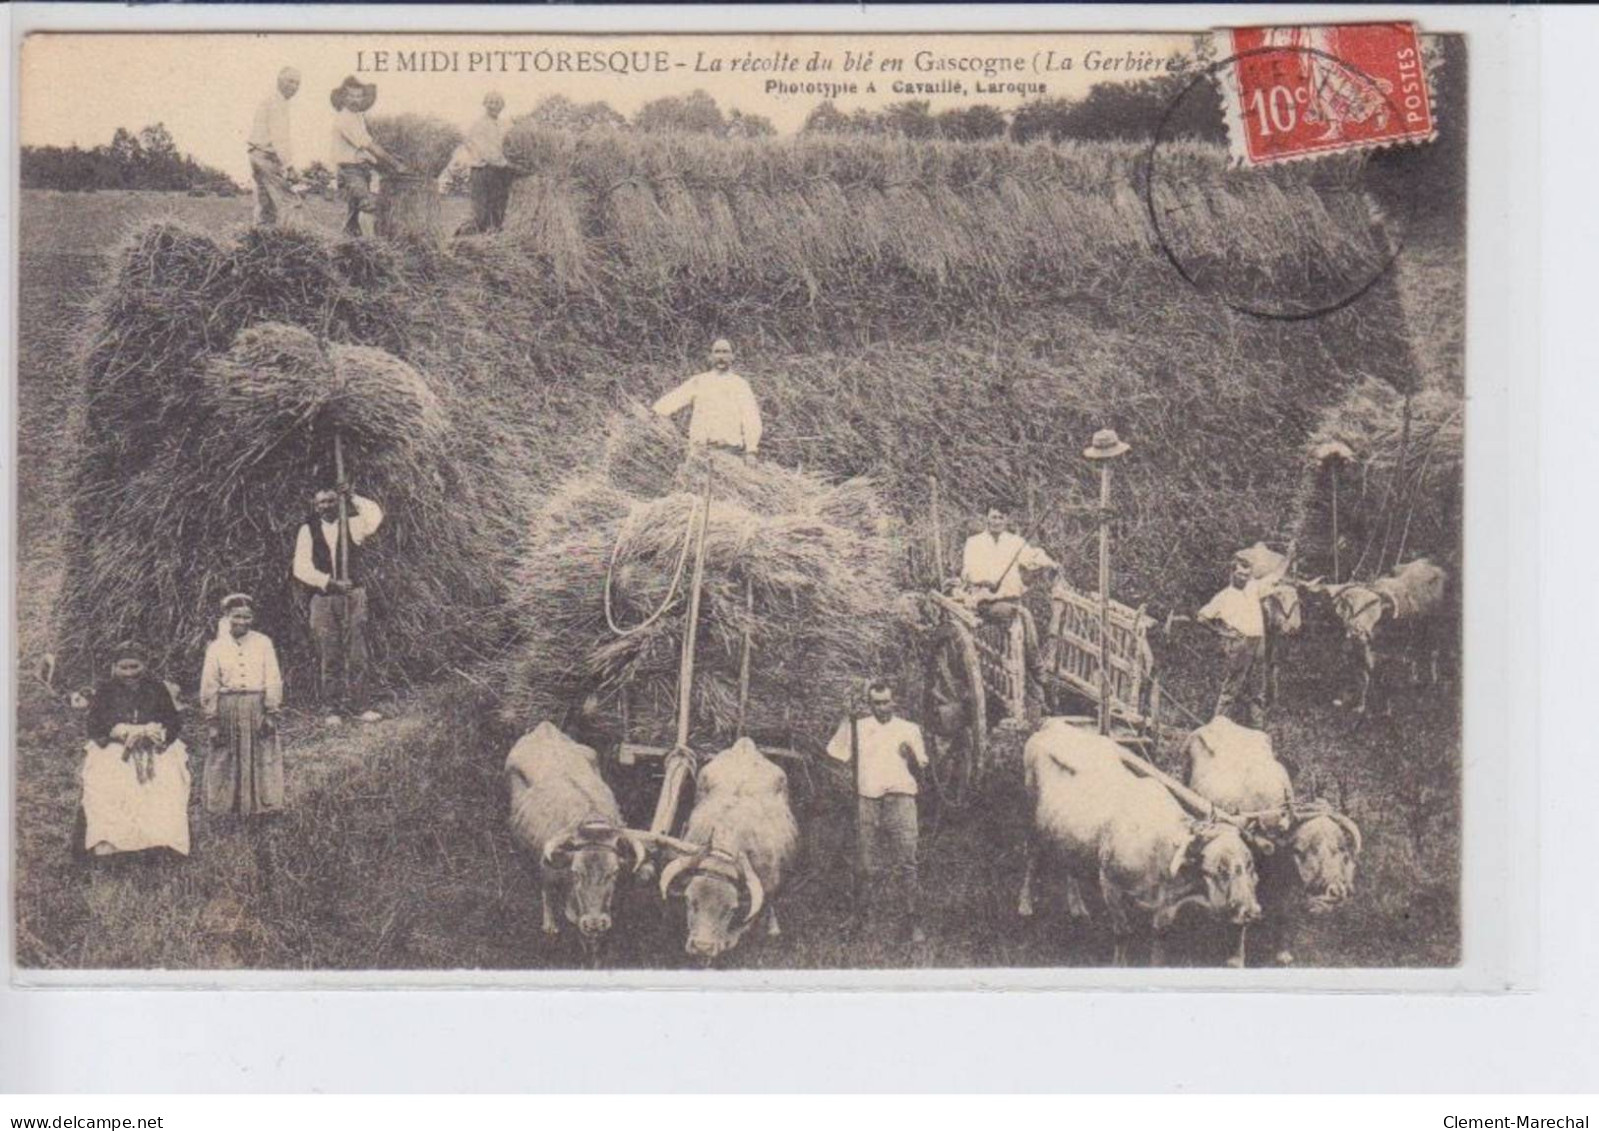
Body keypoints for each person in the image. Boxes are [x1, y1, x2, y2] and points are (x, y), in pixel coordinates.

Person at [825, 681, 929, 944]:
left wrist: (912, 757)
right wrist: (845, 721)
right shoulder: (858, 728)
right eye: (876, 703)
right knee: (864, 863)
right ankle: (861, 918)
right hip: (867, 800)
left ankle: (912, 920)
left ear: (894, 702)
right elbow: (836, 754)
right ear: (869, 704)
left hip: (901, 798)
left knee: (907, 860)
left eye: (886, 702)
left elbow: (923, 767)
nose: (882, 708)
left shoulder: (909, 729)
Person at [78, 640, 190, 859]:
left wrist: (157, 732)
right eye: (124, 667)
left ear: (144, 665)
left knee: (167, 779)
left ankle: (159, 842)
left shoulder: (157, 687)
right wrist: (118, 731)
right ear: (114, 667)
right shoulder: (105, 690)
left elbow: (173, 721)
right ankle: (111, 844)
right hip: (115, 747)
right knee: (107, 782)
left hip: (153, 746)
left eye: (134, 667)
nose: (129, 673)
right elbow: (94, 725)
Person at [293, 483, 384, 723]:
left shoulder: (353, 525)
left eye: (331, 501)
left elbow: (375, 517)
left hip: (354, 596)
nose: (326, 506)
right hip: (323, 599)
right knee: (329, 652)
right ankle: (331, 708)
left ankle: (361, 705)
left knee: (357, 652)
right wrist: (329, 582)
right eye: (322, 502)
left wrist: (353, 496)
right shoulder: (307, 530)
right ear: (316, 505)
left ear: (338, 502)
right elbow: (301, 567)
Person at [199, 594, 285, 817]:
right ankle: (224, 808)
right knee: (225, 754)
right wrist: (213, 719)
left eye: (247, 617)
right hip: (228, 706)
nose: (242, 622)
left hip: (256, 705)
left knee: (262, 753)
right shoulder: (217, 647)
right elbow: (209, 684)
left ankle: (263, 807)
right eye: (237, 616)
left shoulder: (263, 642)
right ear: (227, 617)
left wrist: (271, 711)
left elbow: (272, 677)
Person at [959, 506, 1056, 665]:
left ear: (1006, 520)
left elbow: (1032, 558)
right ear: (987, 518)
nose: (996, 522)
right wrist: (983, 581)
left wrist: (1050, 563)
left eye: (1000, 518)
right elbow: (968, 570)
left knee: (1024, 620)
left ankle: (1027, 662)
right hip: (986, 601)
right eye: (993, 517)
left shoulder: (1015, 542)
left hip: (1011, 599)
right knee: (1023, 616)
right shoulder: (974, 543)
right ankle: (1036, 666)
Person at [651, 339, 763, 463]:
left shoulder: (740, 385)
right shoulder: (700, 381)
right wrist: (657, 415)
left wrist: (751, 451)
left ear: (732, 356)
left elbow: (751, 418)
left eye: (725, 352)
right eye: (717, 352)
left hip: (730, 452)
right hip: (700, 451)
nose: (721, 357)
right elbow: (671, 401)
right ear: (711, 356)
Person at [1197, 553, 1270, 728]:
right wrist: (1223, 632)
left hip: (1258, 642)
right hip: (1240, 644)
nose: (1243, 578)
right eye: (1240, 574)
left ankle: (1258, 730)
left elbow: (1277, 577)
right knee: (1232, 688)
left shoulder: (1253, 588)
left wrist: (1289, 557)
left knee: (1258, 689)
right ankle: (1217, 727)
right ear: (1232, 574)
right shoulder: (1224, 596)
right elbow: (1202, 617)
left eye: (1246, 575)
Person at [329, 75, 404, 238]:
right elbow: (367, 144)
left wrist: (380, 161)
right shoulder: (344, 119)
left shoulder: (358, 117)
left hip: (360, 170)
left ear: (363, 98)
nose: (355, 100)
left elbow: (366, 151)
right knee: (368, 205)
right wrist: (394, 163)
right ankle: (372, 246)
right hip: (350, 171)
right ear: (343, 97)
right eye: (351, 96)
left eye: (358, 96)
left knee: (354, 215)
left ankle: (346, 246)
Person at [450, 91, 515, 235]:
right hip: (482, 170)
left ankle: (490, 244)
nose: (494, 106)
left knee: (498, 211)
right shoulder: (479, 125)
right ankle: (462, 239)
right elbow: (485, 151)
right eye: (490, 102)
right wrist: (506, 164)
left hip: (498, 172)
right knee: (480, 212)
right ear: (485, 104)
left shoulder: (502, 126)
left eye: (497, 102)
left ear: (502, 106)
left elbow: (505, 148)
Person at [247, 66, 301, 227]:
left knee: (267, 205)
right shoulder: (277, 103)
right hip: (265, 156)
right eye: (290, 81)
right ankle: (293, 242)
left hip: (256, 155)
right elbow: (280, 139)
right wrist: (290, 167)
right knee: (290, 201)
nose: (294, 86)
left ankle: (259, 242)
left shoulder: (272, 101)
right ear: (279, 81)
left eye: (298, 83)